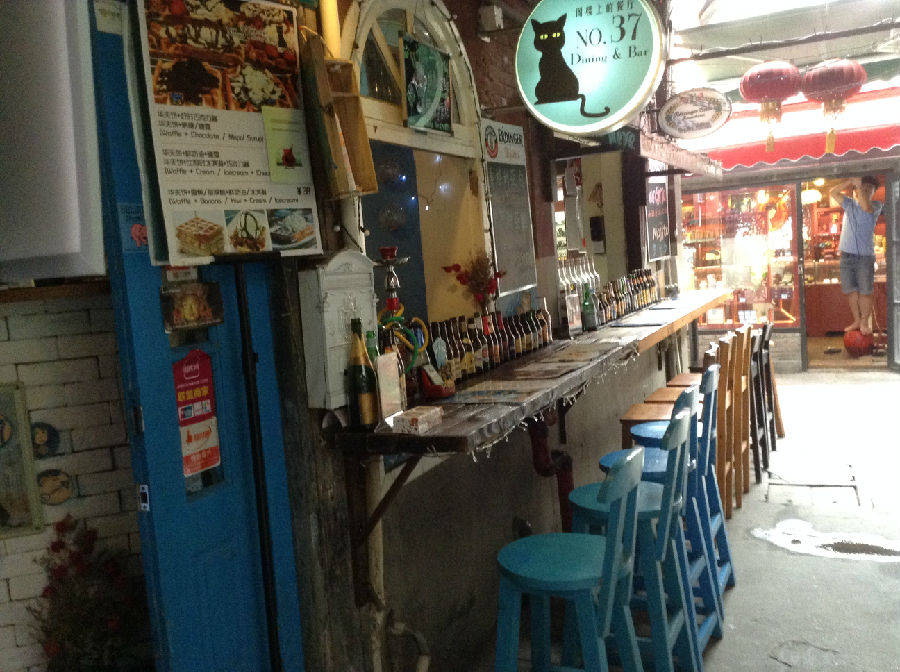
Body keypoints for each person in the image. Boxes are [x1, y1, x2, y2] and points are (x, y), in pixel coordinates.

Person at [829, 176, 883, 335]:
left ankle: (864, 321)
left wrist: (859, 188)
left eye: (869, 188)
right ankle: (857, 320)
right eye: (863, 187)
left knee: (865, 291)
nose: (865, 190)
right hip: (846, 256)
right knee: (850, 290)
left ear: (874, 192)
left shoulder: (876, 205)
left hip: (864, 257)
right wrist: (850, 182)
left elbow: (865, 206)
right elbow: (833, 192)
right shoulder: (849, 203)